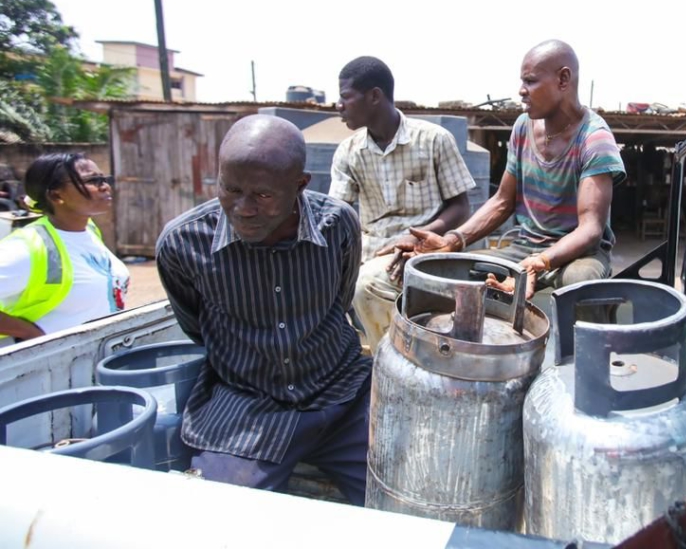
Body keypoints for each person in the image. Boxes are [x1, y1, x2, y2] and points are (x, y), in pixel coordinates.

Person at [155, 115, 370, 503]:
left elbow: (339, 302)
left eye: (263, 195)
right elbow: (196, 325)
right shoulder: (182, 243)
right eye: (229, 188)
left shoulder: (338, 225)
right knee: (219, 516)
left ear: (300, 185)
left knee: (408, 496)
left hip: (342, 395)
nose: (243, 208)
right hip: (245, 409)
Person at [408, 39, 625, 300]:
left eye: (530, 81)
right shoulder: (523, 127)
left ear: (563, 79)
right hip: (525, 247)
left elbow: (590, 229)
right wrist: (452, 241)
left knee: (579, 283)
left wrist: (540, 263)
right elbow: (502, 201)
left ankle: (587, 340)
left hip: (578, 254)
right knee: (456, 272)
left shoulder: (594, 138)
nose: (522, 91)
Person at [330, 56, 475, 350]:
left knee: (365, 286)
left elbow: (460, 206)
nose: (338, 106)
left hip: (423, 252)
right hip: (370, 251)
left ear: (374, 96)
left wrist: (419, 234)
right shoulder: (349, 152)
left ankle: (393, 365)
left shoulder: (433, 140)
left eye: (346, 97)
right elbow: (338, 214)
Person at [0, 153, 128, 342]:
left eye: (104, 179)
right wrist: (32, 334)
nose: (105, 186)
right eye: (93, 180)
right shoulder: (28, 247)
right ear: (56, 195)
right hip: (45, 366)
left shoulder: (88, 230)